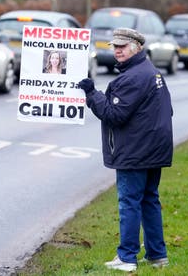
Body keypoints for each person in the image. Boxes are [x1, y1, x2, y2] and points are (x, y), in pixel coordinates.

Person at [77, 27, 173, 272]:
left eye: (123, 46)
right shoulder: (151, 71)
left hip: (136, 150)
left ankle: (127, 258)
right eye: (115, 46)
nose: (118, 51)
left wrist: (91, 93)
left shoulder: (131, 77)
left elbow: (114, 114)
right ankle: (157, 256)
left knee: (129, 201)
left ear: (137, 47)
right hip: (154, 148)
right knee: (149, 199)